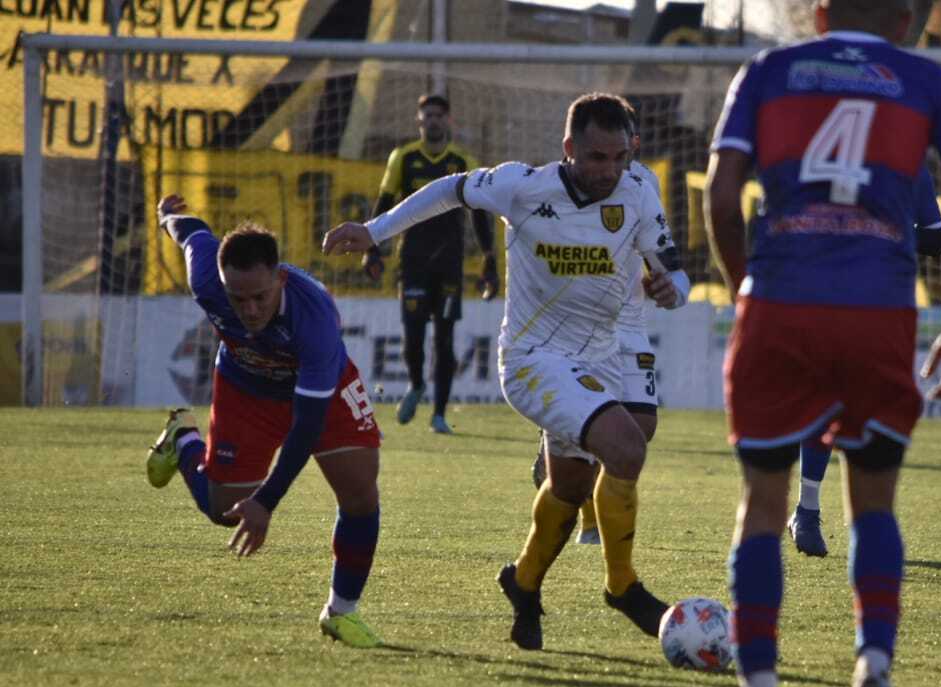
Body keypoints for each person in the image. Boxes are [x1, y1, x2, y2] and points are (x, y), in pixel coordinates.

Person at [706, 0, 941, 687]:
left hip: (780, 301)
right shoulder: (929, 81)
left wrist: (748, 290)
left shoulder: (768, 72)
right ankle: (871, 665)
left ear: (820, 12)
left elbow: (719, 192)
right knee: (873, 503)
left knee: (761, 512)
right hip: (878, 311)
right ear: (906, 18)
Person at [323, 92, 691, 652]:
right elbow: (450, 189)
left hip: (599, 356)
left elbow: (673, 268)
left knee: (571, 484)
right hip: (532, 360)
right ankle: (623, 587)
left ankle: (522, 583)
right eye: (596, 158)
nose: (609, 171)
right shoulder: (523, 186)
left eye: (620, 157)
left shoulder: (638, 188)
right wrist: (376, 232)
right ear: (569, 149)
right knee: (626, 447)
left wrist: (671, 289)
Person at [145, 194, 385, 649]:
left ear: (280, 277)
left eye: (260, 297)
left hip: (322, 391)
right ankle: (184, 441)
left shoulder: (313, 319)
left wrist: (267, 502)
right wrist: (166, 217)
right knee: (222, 511)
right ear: (220, 283)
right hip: (246, 387)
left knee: (360, 490)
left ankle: (340, 612)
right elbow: (192, 233)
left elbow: (307, 426)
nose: (250, 309)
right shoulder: (206, 280)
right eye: (239, 299)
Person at [788, 168, 941, 558]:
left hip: (885, 307)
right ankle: (808, 510)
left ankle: (866, 524)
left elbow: (936, 236)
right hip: (825, 300)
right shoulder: (830, 158)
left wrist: (879, 231)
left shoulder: (911, 167)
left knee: (875, 415)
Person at [529, 111, 665, 548]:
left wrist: (658, 275)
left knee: (641, 424)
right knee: (600, 420)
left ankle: (563, 449)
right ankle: (591, 525)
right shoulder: (567, 185)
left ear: (634, 143)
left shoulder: (645, 184)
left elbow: (654, 242)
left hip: (631, 315)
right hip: (587, 319)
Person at [365, 94, 499, 434]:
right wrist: (372, 248)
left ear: (448, 121)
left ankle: (439, 414)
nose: (433, 122)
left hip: (449, 264)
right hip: (412, 260)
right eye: (428, 116)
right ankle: (416, 384)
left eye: (439, 115)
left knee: (444, 339)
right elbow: (384, 203)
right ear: (419, 121)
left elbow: (480, 213)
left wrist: (489, 258)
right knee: (412, 336)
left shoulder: (462, 160)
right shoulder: (403, 158)